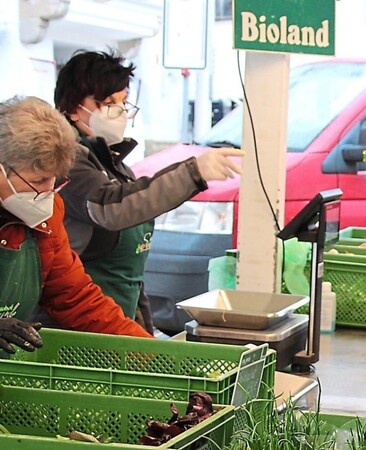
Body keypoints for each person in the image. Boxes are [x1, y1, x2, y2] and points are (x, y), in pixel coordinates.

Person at [44, 50, 243, 331]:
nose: (119, 111)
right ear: (73, 107)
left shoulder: (116, 167)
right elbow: (111, 207)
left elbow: (132, 277)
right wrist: (192, 173)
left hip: (117, 323)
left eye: (124, 102)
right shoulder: (67, 162)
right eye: (107, 102)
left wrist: (143, 328)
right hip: (77, 328)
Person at [0, 96, 151, 353]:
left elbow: (75, 298)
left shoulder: (46, 213)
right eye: (38, 181)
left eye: (54, 181)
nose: (48, 192)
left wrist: (152, 353)